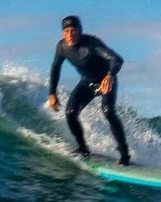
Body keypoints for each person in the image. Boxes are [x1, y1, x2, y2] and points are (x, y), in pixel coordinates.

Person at [46, 15, 131, 165]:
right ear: (62, 33)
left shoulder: (92, 43)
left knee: (108, 111)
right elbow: (55, 68)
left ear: (79, 31)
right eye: (66, 31)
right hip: (86, 83)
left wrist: (110, 75)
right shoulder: (62, 47)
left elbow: (117, 59)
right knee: (70, 114)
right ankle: (83, 148)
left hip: (105, 81)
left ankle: (124, 154)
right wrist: (52, 93)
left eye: (73, 30)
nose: (70, 35)